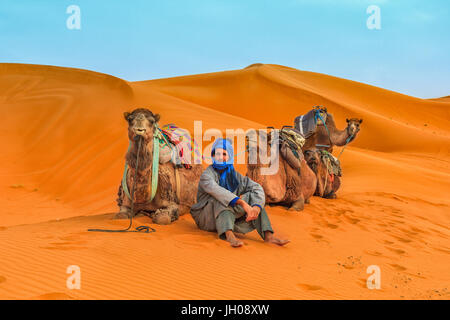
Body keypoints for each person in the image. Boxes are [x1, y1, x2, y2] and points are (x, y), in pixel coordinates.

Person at [190, 138, 290, 247]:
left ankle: (268, 236)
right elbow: (218, 191)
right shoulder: (207, 175)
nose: (220, 157)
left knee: (254, 198)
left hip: (225, 216)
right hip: (206, 218)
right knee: (220, 198)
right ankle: (229, 235)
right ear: (213, 156)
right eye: (217, 154)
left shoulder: (235, 176)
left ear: (230, 156)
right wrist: (243, 204)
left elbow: (256, 188)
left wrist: (256, 207)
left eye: (224, 154)